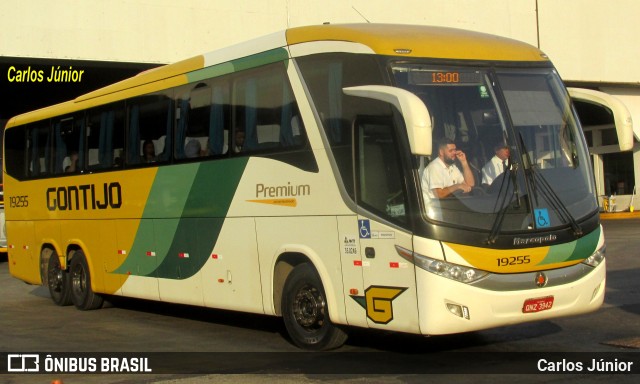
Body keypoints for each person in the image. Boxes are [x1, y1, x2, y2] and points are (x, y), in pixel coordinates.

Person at [422, 137, 475, 202]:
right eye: (450, 151)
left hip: (449, 206)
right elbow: (439, 194)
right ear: (441, 152)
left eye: (455, 150)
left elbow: (470, 185)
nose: (454, 153)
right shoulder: (434, 167)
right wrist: (457, 186)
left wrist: (464, 162)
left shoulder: (453, 167)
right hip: (433, 208)